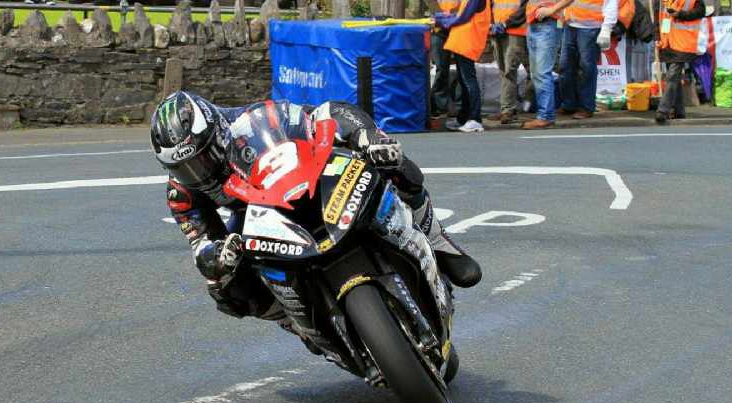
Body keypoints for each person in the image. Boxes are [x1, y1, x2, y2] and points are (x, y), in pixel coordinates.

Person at [150, 92, 483, 322]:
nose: (198, 172)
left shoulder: (255, 120)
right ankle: (296, 322)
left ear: (217, 133)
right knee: (224, 289)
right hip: (256, 223)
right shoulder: (182, 192)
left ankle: (436, 238)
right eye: (185, 169)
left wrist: (367, 137)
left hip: (308, 184)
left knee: (393, 161)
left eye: (202, 158)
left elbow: (327, 113)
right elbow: (199, 241)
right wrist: (214, 256)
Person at [521, 0, 579, 130]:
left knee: (542, 73)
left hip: (546, 27)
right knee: (538, 73)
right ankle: (544, 114)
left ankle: (545, 115)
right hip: (537, 26)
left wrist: (552, 10)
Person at [561, 0, 619, 119]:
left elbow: (611, 2)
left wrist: (606, 29)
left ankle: (586, 106)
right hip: (571, 24)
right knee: (565, 66)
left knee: (587, 67)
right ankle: (569, 103)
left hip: (591, 27)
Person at [435, 0, 493, 133]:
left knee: (469, 81)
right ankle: (464, 118)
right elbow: (461, 14)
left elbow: (463, 17)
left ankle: (475, 118)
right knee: (464, 79)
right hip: (463, 41)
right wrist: (443, 18)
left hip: (468, 41)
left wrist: (442, 21)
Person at [655, 0, 705, 124]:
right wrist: (657, 35)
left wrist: (681, 15)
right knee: (673, 76)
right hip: (667, 38)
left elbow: (701, 11)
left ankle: (663, 110)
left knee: (672, 75)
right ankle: (679, 111)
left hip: (684, 39)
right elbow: (658, 13)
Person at [490, 0, 533, 124]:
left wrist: (506, 23)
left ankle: (508, 109)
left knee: (510, 70)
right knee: (502, 70)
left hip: (516, 30)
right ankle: (510, 106)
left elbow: (524, 8)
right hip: (497, 30)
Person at [426, 0, 468, 117]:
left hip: (460, 26)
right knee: (441, 68)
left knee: (462, 69)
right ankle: (439, 105)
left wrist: (453, 16)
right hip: (440, 27)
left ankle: (459, 106)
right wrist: (440, 15)